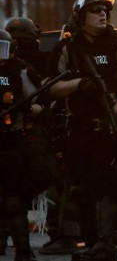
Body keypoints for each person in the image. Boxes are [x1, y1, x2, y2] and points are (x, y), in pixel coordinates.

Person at [46, 0, 117, 261]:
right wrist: (80, 84)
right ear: (81, 15)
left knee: (108, 188)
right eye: (96, 10)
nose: (103, 15)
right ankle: (89, 245)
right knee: (81, 188)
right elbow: (51, 86)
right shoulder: (68, 47)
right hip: (79, 129)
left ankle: (107, 245)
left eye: (106, 10)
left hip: (109, 129)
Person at [5, 17, 81, 255]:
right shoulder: (37, 62)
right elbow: (47, 98)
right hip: (40, 134)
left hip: (13, 135)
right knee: (54, 182)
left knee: (9, 191)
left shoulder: (15, 65)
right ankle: (61, 234)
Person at [0, 29, 44, 261]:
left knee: (15, 200)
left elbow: (40, 103)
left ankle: (23, 251)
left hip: (11, 139)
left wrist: (24, 110)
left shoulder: (20, 69)